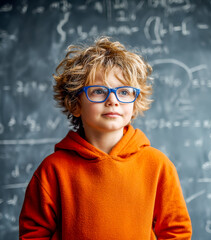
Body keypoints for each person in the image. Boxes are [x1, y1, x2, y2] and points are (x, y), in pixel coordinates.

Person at [19, 37, 192, 240]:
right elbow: (33, 234)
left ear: (134, 104)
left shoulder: (157, 165)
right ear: (75, 104)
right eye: (99, 91)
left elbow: (176, 232)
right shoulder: (53, 169)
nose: (113, 100)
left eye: (124, 92)